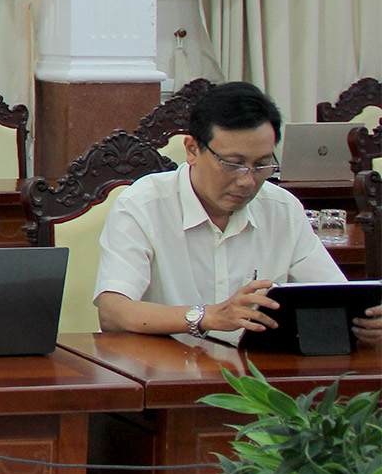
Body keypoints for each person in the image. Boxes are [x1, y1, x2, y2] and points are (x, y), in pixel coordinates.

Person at [94, 81, 379, 346]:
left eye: (261, 165)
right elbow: (113, 312)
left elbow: (334, 295)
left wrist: (369, 319)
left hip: (258, 373)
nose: (247, 181)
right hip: (167, 370)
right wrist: (206, 317)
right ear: (192, 150)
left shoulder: (283, 209)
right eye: (233, 164)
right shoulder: (143, 205)